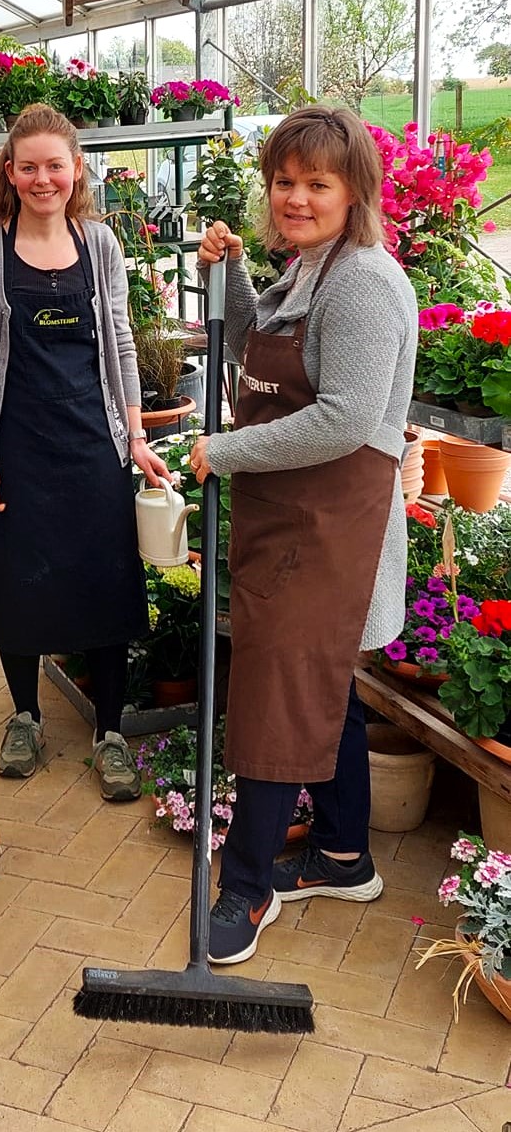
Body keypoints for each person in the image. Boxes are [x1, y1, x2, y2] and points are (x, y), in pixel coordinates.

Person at [190, 106, 417, 965]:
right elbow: (259, 357)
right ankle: (341, 854)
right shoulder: (309, 271)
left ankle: (245, 887)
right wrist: (238, 275)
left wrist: (224, 451)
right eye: (284, 181)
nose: (294, 197)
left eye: (316, 183)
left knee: (280, 699)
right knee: (324, 692)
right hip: (296, 523)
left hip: (331, 536)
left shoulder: (361, 280)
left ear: (352, 188)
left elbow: (347, 418)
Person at [0, 104, 171, 800]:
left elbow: (123, 344)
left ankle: (109, 733)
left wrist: (133, 436)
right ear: (8, 174)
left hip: (91, 443)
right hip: (16, 448)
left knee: (105, 584)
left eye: (56, 166)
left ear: (76, 172)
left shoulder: (98, 245)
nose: (43, 178)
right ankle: (25, 716)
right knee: (20, 585)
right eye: (29, 166)